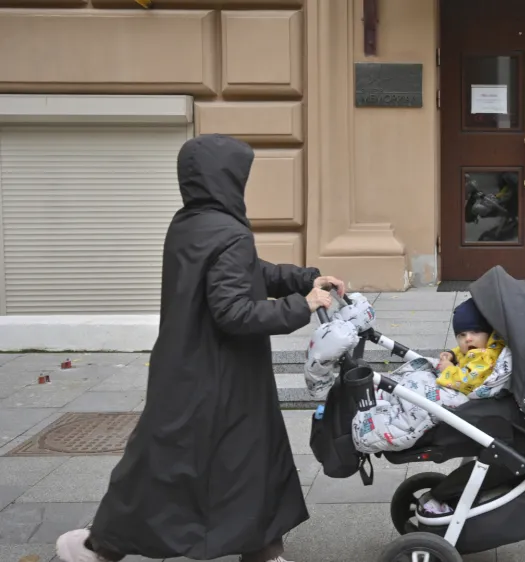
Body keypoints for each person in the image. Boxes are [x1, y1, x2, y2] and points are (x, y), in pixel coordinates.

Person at [55, 133, 346, 562]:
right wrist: (302, 305)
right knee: (228, 462)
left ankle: (261, 551)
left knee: (201, 462)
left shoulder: (188, 223)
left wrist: (303, 278)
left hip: (187, 367)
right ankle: (99, 547)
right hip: (223, 376)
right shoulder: (229, 232)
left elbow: (246, 272)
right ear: (225, 178)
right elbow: (234, 311)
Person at [350, 298, 511, 456]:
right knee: (414, 380)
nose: (468, 338)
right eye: (462, 335)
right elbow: (463, 352)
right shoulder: (478, 348)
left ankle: (374, 427)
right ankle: (382, 397)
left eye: (475, 332)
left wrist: (448, 370)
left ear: (489, 334)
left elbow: (467, 381)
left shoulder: (487, 358)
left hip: (462, 391)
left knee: (418, 404)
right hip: (452, 383)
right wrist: (451, 354)